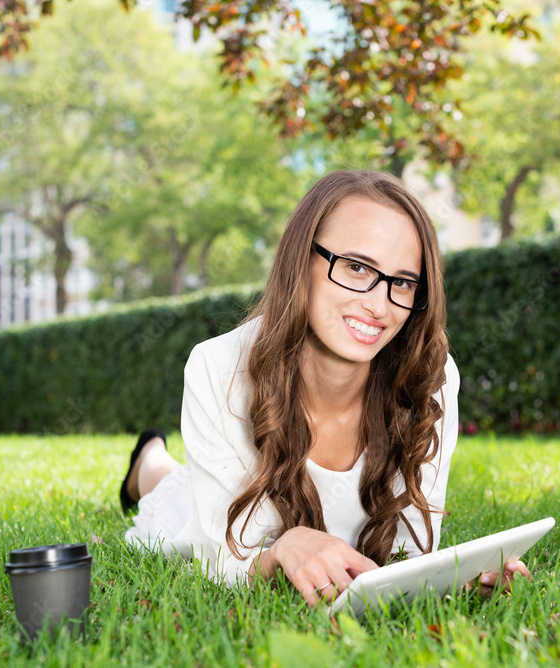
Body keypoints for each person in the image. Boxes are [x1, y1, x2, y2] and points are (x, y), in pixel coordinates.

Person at [120, 169, 529, 607]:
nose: (378, 305)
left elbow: (409, 548)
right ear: (302, 260)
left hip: (240, 480)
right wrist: (281, 549)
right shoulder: (218, 367)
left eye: (403, 282)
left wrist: (453, 576)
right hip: (207, 498)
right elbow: (221, 557)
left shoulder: (431, 375)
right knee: (170, 495)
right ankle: (147, 457)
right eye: (355, 267)